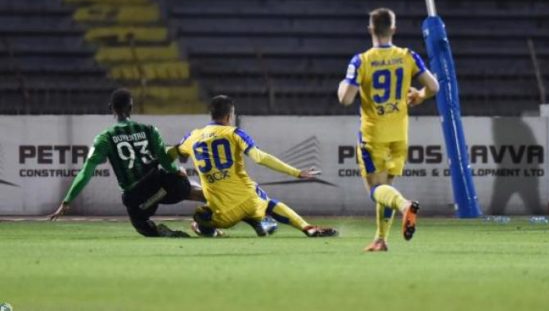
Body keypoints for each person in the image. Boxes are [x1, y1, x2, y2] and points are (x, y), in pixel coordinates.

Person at [337, 7, 439, 252]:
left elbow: (346, 98)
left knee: (376, 190)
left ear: (370, 29)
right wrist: (420, 95)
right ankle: (381, 239)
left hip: (374, 135)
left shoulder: (362, 61)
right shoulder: (408, 56)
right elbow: (434, 87)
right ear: (393, 29)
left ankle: (404, 206)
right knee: (386, 189)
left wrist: (343, 84)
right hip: (399, 135)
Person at [171, 95, 337, 238]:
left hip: (223, 215)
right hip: (249, 201)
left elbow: (170, 153)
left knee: (200, 217)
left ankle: (213, 232)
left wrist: (175, 166)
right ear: (229, 115)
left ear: (211, 114)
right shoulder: (234, 133)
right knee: (265, 201)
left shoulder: (192, 136)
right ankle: (305, 228)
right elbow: (259, 157)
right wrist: (296, 172)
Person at [49, 88, 204, 238]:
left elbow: (85, 173)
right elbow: (165, 161)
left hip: (138, 199)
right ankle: (211, 208)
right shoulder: (150, 130)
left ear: (111, 108)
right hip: (161, 186)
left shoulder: (104, 138)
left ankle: (161, 231)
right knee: (182, 184)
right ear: (131, 108)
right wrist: (177, 170)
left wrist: (67, 201)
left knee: (141, 225)